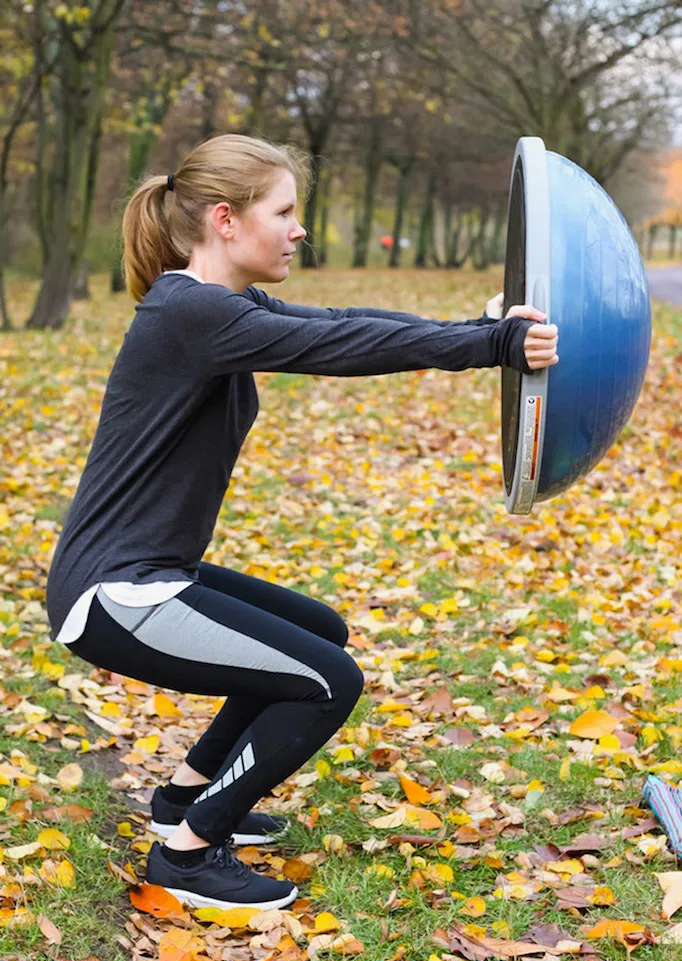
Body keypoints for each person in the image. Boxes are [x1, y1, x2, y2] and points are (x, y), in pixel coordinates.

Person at [45, 134, 558, 913]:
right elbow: (337, 346)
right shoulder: (192, 312)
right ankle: (185, 855)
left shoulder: (218, 305)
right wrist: (491, 345)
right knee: (328, 682)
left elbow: (344, 318)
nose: (298, 228)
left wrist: (475, 327)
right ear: (225, 219)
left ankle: (182, 798)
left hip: (145, 574)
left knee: (318, 632)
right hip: (116, 594)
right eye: (283, 211)